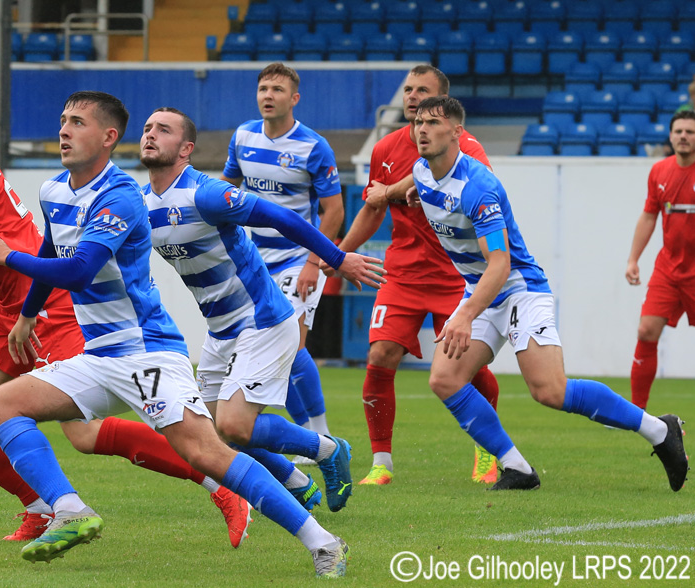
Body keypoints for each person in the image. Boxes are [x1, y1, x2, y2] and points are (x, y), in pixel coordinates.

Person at [0, 68, 250, 548]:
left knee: (85, 433)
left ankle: (223, 488)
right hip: (12, 304)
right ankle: (41, 507)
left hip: (48, 303)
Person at [0, 91, 349, 577]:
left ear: (109, 138)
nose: (64, 130)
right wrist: (28, 313)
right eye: (62, 120)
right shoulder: (55, 191)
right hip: (102, 354)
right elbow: (52, 249)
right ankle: (69, 509)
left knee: (209, 449)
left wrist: (7, 257)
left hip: (148, 352)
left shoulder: (121, 196)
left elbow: (81, 270)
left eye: (77, 123)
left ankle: (324, 542)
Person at [410, 94, 688, 492]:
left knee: (550, 390)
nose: (423, 129)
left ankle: (660, 430)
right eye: (419, 122)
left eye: (434, 123)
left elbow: (501, 264)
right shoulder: (421, 172)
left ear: (457, 132)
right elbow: (420, 184)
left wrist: (466, 315)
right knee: (445, 378)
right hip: (482, 291)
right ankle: (517, 467)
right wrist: (393, 192)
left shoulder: (479, 187)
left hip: (518, 289)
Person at [141, 107, 386, 514]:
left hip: (263, 320)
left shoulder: (206, 194)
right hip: (220, 331)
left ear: (186, 149)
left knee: (235, 425)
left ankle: (327, 448)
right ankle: (298, 483)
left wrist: (337, 258)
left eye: (163, 130)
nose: (151, 135)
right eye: (148, 128)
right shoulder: (141, 204)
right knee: (216, 437)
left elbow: (283, 217)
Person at [334, 64, 501, 486]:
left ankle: (488, 451)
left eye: (422, 90)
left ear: (444, 105)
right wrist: (337, 254)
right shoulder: (385, 148)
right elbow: (372, 209)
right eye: (408, 89)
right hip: (403, 275)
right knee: (379, 357)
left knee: (469, 369)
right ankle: (381, 463)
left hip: (455, 276)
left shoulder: (467, 146)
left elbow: (477, 181)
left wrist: (397, 187)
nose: (411, 96)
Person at [219, 63, 342, 453]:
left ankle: (321, 434)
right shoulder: (242, 137)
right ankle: (313, 438)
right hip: (254, 262)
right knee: (277, 350)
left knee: (292, 347)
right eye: (263, 89)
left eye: (276, 89)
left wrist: (311, 262)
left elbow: (334, 210)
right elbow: (228, 187)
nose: (268, 95)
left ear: (294, 99)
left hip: (296, 259)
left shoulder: (313, 146)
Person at [626, 110, 695, 410]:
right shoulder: (659, 171)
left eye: (690, 132)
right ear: (670, 136)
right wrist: (633, 259)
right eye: (679, 131)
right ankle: (636, 413)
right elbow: (649, 215)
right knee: (646, 331)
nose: (683, 136)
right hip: (668, 269)